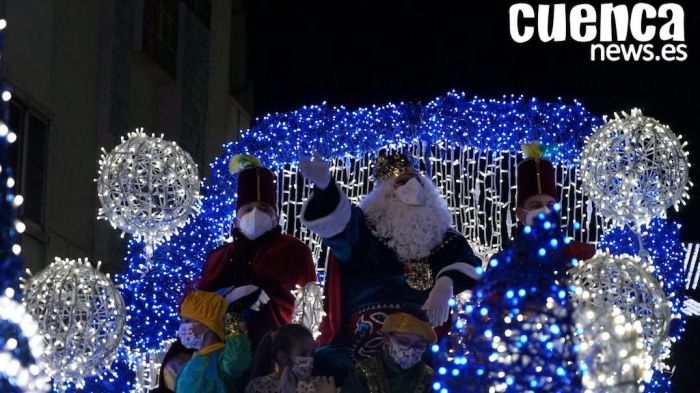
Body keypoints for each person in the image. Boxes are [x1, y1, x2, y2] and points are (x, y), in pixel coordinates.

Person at [299, 151, 482, 382]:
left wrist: (445, 283)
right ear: (385, 194)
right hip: (366, 334)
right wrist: (325, 189)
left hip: (422, 336)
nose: (413, 186)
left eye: (417, 180)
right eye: (401, 182)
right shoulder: (365, 233)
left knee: (456, 371)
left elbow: (465, 261)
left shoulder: (443, 238)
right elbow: (340, 228)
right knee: (328, 363)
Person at [155, 155, 318, 392]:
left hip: (271, 344)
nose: (255, 214)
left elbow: (308, 304)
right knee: (174, 367)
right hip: (214, 347)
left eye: (263, 208)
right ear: (236, 217)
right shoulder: (218, 256)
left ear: (275, 216)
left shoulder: (294, 251)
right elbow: (196, 303)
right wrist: (229, 297)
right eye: (248, 208)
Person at [514, 143, 596, 261]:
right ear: (520, 214)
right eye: (536, 206)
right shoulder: (505, 262)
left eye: (550, 205)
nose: (545, 210)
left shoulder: (583, 253)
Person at [173, 290, 251, 392]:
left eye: (187, 321)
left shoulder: (223, 360)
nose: (182, 328)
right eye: (182, 322)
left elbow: (236, 358)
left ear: (207, 324)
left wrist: (233, 319)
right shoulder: (185, 368)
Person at [342, 312, 436, 393]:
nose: (410, 352)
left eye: (419, 346)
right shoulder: (362, 372)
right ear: (387, 339)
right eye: (403, 342)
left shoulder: (430, 379)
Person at [246, 324, 336, 393]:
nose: (310, 359)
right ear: (283, 357)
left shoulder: (318, 385)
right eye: (303, 354)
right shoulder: (259, 386)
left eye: (312, 354)